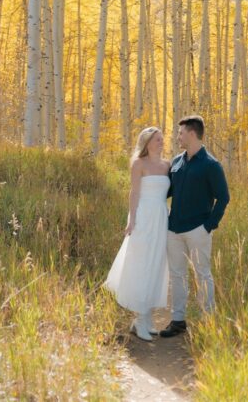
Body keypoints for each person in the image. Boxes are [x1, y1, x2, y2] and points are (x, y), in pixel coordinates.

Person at [160, 115, 230, 338]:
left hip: (197, 230)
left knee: (202, 275)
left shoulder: (211, 165)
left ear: (191, 134)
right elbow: (167, 192)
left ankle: (208, 322)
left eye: (180, 133)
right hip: (174, 230)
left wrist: (208, 225)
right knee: (177, 276)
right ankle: (178, 320)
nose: (177, 137)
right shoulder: (176, 162)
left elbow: (224, 197)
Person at [103, 127, 170, 341]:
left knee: (156, 264)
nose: (161, 142)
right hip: (143, 216)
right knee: (142, 264)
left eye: (162, 139)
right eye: (157, 140)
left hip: (161, 217)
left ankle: (146, 318)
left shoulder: (167, 165)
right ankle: (140, 319)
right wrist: (132, 220)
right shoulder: (138, 164)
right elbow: (134, 193)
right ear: (148, 142)